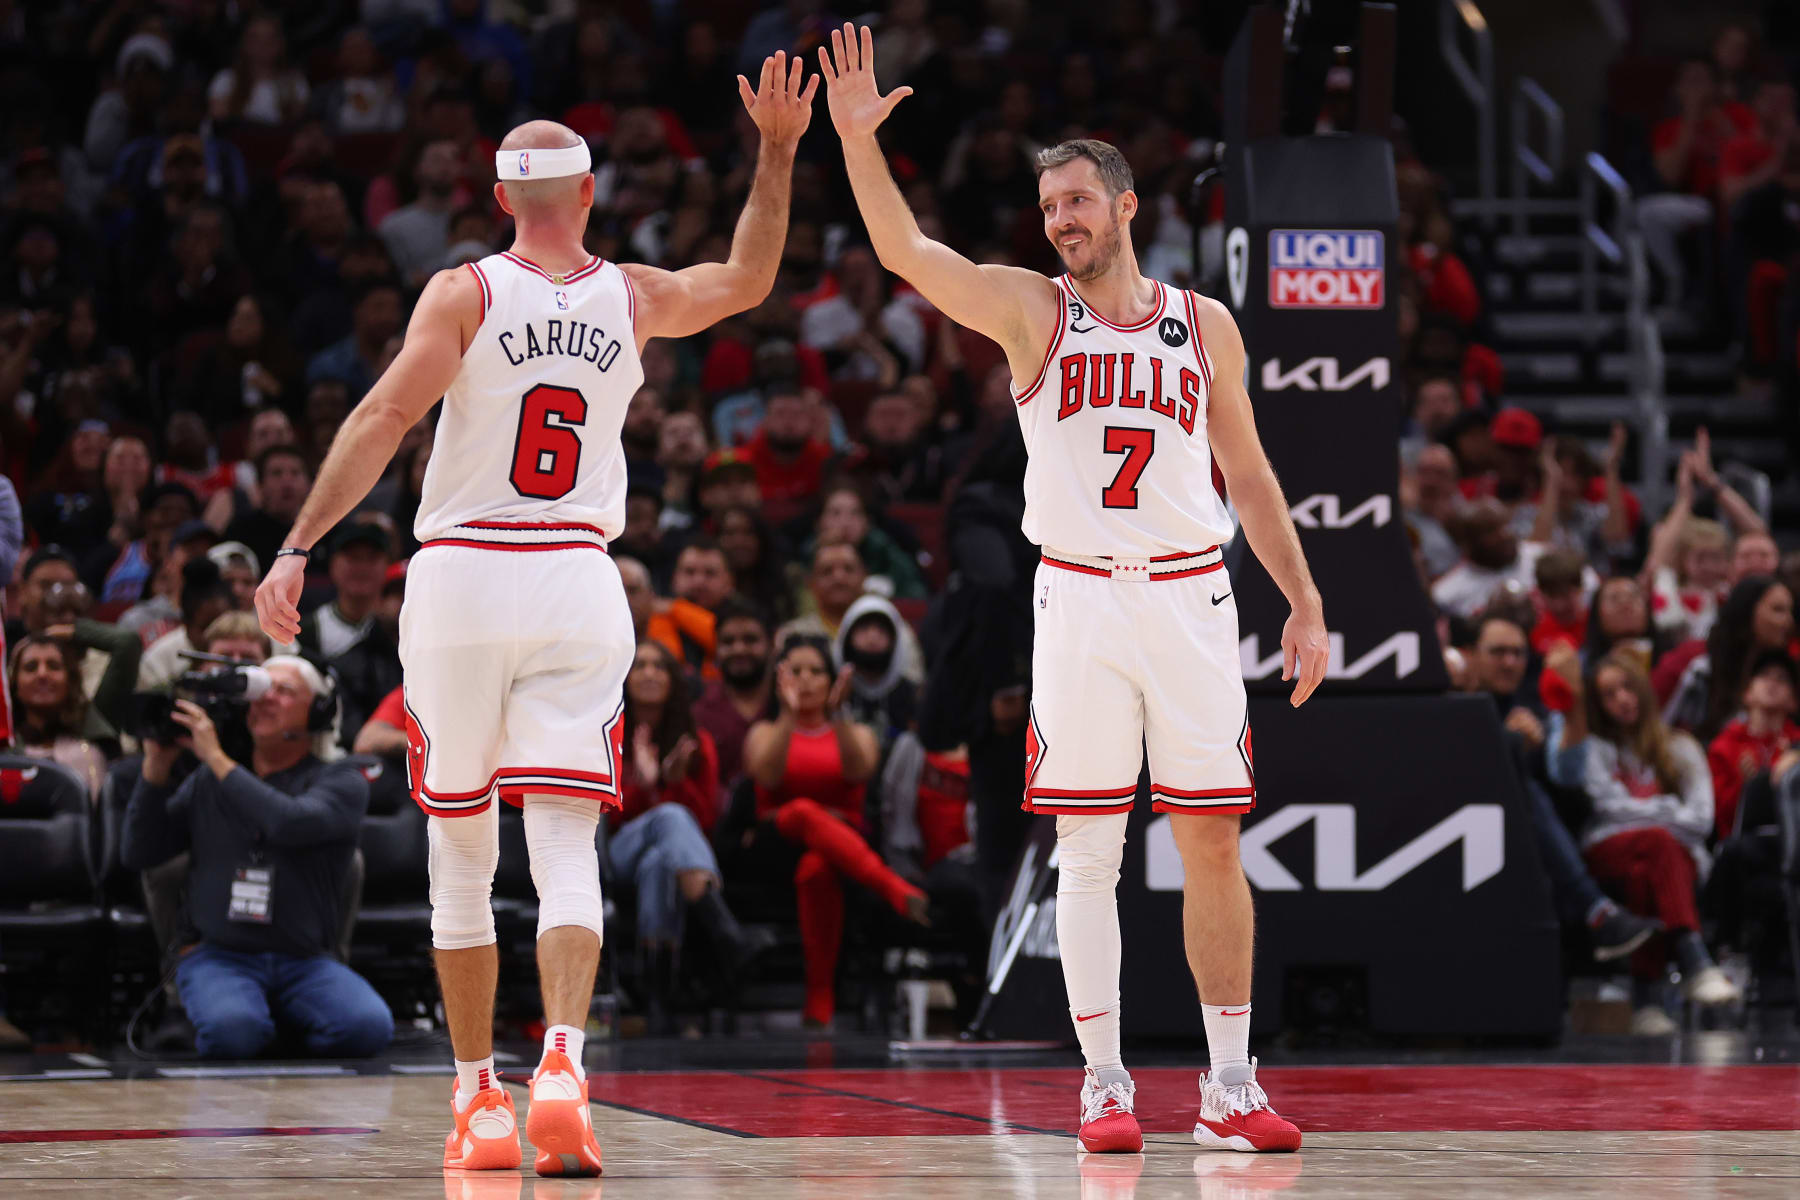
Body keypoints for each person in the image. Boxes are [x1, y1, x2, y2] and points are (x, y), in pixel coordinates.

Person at [253, 62, 816, 1176]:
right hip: (576, 576)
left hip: (462, 577)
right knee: (565, 842)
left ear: (502, 197)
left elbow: (381, 417)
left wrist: (298, 543)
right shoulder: (637, 295)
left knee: (462, 853)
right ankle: (564, 1059)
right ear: (591, 193)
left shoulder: (463, 292)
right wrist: (781, 147)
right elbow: (750, 276)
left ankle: (479, 1100)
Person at [819, 25, 1324, 1153]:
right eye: (1050, 207)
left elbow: (1248, 473)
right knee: (1089, 850)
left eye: (1079, 202)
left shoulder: (1208, 326)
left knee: (1211, 842)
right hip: (1082, 597)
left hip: (1193, 596)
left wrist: (1301, 597)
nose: (1063, 221)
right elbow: (906, 250)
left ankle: (1231, 1088)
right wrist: (859, 145)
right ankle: (1104, 1084)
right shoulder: (1031, 310)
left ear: (1127, 204)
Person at [120, 656, 392, 1059]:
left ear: (318, 711)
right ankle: (260, 1021)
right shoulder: (210, 781)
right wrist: (156, 769)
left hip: (305, 961)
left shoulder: (342, 780)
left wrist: (216, 757)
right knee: (234, 1033)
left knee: (367, 1027)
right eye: (261, 691)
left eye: (283, 691)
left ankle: (275, 1024)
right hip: (220, 955)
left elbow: (290, 822)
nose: (267, 700)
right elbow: (139, 851)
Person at [1546, 651, 1742, 1034]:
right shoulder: (1596, 747)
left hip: (1667, 858)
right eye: (1608, 694)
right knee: (1657, 846)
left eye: (1627, 688)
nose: (1622, 699)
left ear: (1644, 690)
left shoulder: (1681, 747)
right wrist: (1669, 808)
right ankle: (1695, 963)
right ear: (1598, 705)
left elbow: (1702, 819)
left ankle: (1647, 1002)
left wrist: (1640, 810)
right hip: (1607, 851)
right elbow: (1604, 807)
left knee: (1648, 866)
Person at [736, 635, 928, 1028]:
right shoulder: (763, 732)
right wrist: (789, 717)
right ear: (779, 680)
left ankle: (819, 995)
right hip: (777, 842)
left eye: (815, 671)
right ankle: (891, 886)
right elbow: (766, 776)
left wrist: (838, 717)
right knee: (805, 811)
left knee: (817, 868)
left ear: (832, 680)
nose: (805, 680)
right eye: (795, 671)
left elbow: (858, 772)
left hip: (841, 850)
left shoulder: (857, 733)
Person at [610, 641, 768, 1032]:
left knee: (661, 862)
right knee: (668, 817)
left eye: (659, 666)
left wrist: (673, 783)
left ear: (673, 680)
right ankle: (724, 929)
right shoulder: (606, 734)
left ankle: (657, 996)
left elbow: (706, 821)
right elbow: (601, 814)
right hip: (614, 849)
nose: (648, 673)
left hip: (668, 859)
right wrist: (645, 788)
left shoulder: (697, 742)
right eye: (640, 665)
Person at [1706, 651, 1800, 839]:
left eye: (1782, 679)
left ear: (1793, 701)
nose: (1772, 683)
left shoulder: (1797, 744)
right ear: (1747, 693)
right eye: (1763, 675)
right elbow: (1716, 819)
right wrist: (1743, 786)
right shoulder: (1723, 746)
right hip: (1743, 845)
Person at [692, 596, 774, 785]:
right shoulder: (700, 709)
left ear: (772, 644)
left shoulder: (790, 704)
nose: (739, 649)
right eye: (728, 642)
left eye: (750, 640)